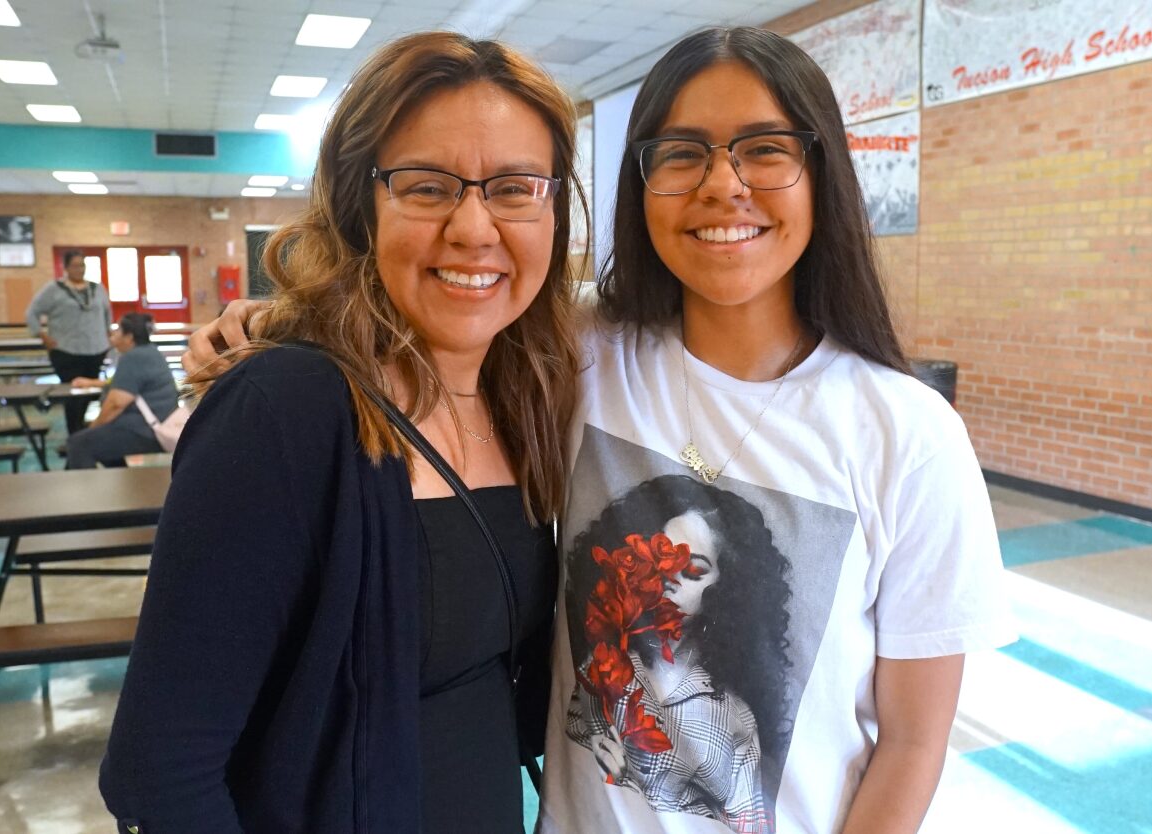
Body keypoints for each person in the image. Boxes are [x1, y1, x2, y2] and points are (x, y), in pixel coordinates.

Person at [188, 26, 1015, 834]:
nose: (722, 185)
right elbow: (431, 315)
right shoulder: (575, 351)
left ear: (820, 173)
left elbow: (910, 741)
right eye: (681, 152)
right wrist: (283, 323)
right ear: (640, 183)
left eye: (765, 149)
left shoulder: (906, 433)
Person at [100, 31, 584, 834]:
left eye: (513, 187)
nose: (473, 227)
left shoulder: (528, 393)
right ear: (362, 204)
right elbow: (162, 774)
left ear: (553, 207)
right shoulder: (285, 410)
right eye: (427, 187)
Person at [564, 474, 791, 833]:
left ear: (729, 588)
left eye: (694, 569)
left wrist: (633, 783)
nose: (670, 575)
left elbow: (751, 827)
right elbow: (573, 734)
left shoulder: (734, 720)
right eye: (660, 556)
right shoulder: (607, 661)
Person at [65, 312, 178, 468]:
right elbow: (127, 384)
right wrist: (92, 382)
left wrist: (95, 426)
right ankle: (123, 486)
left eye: (118, 330)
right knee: (101, 443)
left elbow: (115, 404)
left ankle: (89, 492)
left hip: (146, 431)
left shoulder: (133, 357)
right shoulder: (150, 352)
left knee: (79, 443)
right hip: (157, 424)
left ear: (129, 337)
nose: (113, 333)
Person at [25, 249, 113, 434]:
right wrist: (42, 335)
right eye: (74, 265)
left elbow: (107, 315)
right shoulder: (53, 289)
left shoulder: (98, 289)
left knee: (90, 393)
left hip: (95, 350)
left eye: (82, 265)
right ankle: (75, 434)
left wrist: (107, 336)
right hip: (66, 351)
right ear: (65, 267)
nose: (79, 269)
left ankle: (81, 432)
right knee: (73, 395)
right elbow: (32, 312)